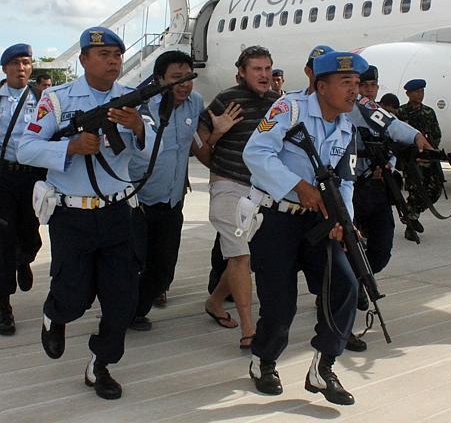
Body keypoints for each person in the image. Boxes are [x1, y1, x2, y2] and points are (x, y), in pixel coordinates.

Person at [17, 27, 156, 400]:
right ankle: (55, 314)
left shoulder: (131, 100)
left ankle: (101, 365)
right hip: (72, 215)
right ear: (83, 60)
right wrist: (70, 148)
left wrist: (139, 126)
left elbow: (149, 150)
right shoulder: (57, 100)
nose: (113, 61)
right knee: (74, 295)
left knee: (122, 300)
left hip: (117, 214)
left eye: (117, 55)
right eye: (104, 54)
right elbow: (25, 149)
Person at [243, 50, 367, 406]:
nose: (354, 91)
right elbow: (256, 154)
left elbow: (346, 181)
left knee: (345, 284)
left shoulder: (347, 125)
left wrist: (346, 222)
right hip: (277, 216)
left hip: (319, 222)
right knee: (280, 305)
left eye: (357, 83)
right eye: (346, 83)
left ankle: (323, 366)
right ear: (321, 85)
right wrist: (299, 185)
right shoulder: (289, 109)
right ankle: (263, 360)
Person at [128, 50, 242, 330]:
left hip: (172, 200)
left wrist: (216, 134)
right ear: (159, 79)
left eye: (188, 77)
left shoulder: (195, 103)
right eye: (175, 78)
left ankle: (137, 307)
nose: (184, 84)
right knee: (131, 264)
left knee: (163, 268)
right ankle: (125, 312)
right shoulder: (142, 108)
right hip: (139, 202)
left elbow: (193, 146)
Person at [347, 65, 431, 352]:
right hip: (351, 190)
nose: (366, 90)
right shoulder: (344, 109)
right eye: (362, 84)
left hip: (379, 192)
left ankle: (357, 280)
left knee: (380, 252)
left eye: (371, 85)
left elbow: (393, 126)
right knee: (346, 254)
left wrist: (417, 136)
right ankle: (341, 312)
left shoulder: (372, 111)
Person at [198, 45, 276, 349]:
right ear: (241, 73)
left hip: (261, 191)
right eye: (257, 69)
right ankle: (249, 329)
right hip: (228, 185)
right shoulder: (225, 100)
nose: (264, 74)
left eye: (267, 68)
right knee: (241, 255)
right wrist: (218, 132)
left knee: (242, 256)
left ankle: (215, 302)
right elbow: (201, 146)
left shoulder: (276, 103)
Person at [0, 43, 44, 336]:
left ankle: (24, 257)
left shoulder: (43, 98)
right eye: (15, 63)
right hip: (2, 176)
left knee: (31, 234)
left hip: (32, 177)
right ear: (5, 68)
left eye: (26, 62)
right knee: (2, 237)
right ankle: (3, 306)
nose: (21, 68)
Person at [397, 79, 443, 241]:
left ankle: (411, 214)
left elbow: (436, 134)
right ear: (408, 94)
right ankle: (411, 225)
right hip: (411, 160)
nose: (420, 94)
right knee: (415, 191)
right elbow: (397, 136)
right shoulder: (400, 113)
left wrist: (431, 148)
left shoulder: (429, 112)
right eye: (417, 92)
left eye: (422, 91)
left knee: (435, 190)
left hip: (429, 158)